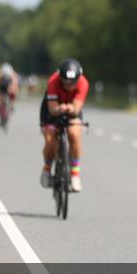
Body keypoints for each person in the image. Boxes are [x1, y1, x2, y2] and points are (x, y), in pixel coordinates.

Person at [40, 59, 89, 192]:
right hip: (52, 111)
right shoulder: (53, 81)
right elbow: (52, 108)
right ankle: (47, 169)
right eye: (65, 82)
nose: (68, 86)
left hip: (72, 109)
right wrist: (59, 109)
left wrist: (70, 108)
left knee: (74, 135)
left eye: (72, 83)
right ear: (60, 78)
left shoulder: (83, 83)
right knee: (51, 142)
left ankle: (75, 175)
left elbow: (76, 108)